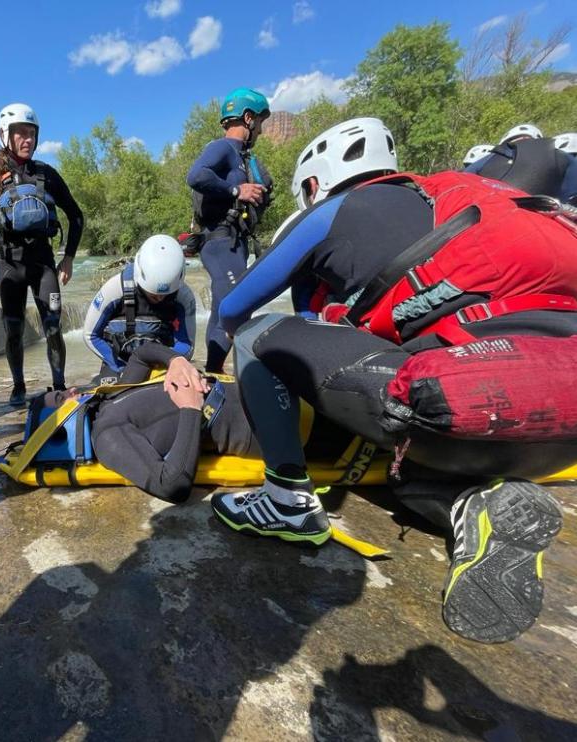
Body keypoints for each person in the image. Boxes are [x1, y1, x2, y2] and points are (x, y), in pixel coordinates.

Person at [213, 117, 577, 642]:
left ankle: (285, 500)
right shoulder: (462, 194)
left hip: (465, 403)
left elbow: (232, 305)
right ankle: (477, 508)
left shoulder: (331, 210)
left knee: (257, 332)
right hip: (553, 428)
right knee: (400, 476)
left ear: (314, 184)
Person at [35, 343, 347, 514]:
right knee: (366, 427)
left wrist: (176, 360)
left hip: (277, 389)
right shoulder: (107, 437)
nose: (72, 392)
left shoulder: (113, 394)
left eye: (65, 389)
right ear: (58, 428)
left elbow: (142, 352)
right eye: (61, 398)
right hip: (281, 430)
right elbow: (171, 486)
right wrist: (190, 409)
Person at [0, 103, 84, 407]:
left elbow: (76, 216)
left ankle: (59, 386)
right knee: (13, 331)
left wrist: (68, 257)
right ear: (5, 136)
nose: (27, 139)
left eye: (31, 134)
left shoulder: (47, 174)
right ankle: (18, 388)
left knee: (53, 327)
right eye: (20, 134)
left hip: (44, 268)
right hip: (10, 268)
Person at [186, 87, 273, 373]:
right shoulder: (222, 147)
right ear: (248, 118)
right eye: (259, 122)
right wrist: (237, 188)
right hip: (220, 243)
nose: (260, 130)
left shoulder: (243, 157)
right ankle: (221, 372)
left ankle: (213, 374)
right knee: (237, 308)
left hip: (235, 243)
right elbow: (196, 175)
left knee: (224, 309)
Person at [83, 234, 196, 382]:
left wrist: (168, 363)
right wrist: (119, 367)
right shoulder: (115, 288)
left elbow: (186, 345)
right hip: (120, 361)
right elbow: (91, 335)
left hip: (161, 362)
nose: (160, 298)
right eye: (153, 294)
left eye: (165, 295)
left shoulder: (184, 296)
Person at [465, 123, 577, 205]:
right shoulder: (561, 157)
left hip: (490, 213)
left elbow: (461, 180)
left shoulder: (492, 156)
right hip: (540, 222)